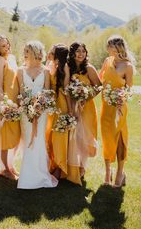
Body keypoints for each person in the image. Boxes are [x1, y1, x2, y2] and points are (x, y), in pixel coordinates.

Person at [17, 40, 58, 189]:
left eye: (27, 51)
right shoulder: (20, 71)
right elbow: (21, 92)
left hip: (42, 111)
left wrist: (40, 106)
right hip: (26, 111)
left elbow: (47, 92)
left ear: (35, 53)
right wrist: (27, 106)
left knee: (39, 139)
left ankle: (41, 174)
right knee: (28, 139)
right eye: (25, 51)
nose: (25, 54)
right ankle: (27, 176)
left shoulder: (45, 71)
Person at [99, 35, 135, 187]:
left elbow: (129, 89)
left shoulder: (128, 66)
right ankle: (108, 172)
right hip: (106, 106)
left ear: (118, 47)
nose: (107, 49)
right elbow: (101, 80)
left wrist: (120, 98)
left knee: (119, 138)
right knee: (107, 138)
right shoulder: (107, 61)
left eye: (110, 46)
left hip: (119, 107)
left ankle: (120, 172)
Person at [48, 44, 82, 185]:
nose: (49, 52)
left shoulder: (65, 67)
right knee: (52, 136)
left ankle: (61, 167)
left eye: (52, 51)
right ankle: (55, 165)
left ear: (57, 54)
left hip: (62, 105)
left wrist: (70, 110)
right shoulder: (51, 65)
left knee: (59, 136)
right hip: (53, 105)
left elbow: (67, 90)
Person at [67, 42, 102, 179]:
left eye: (83, 51)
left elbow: (99, 86)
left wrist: (85, 97)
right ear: (73, 53)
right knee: (74, 136)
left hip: (87, 107)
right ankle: (72, 165)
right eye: (78, 51)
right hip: (73, 106)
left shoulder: (89, 68)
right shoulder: (68, 68)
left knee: (85, 136)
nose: (81, 53)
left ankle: (82, 166)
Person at [0, 34, 20, 180]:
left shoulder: (13, 58)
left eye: (7, 44)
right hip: (6, 102)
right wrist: (2, 105)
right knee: (6, 136)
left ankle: (10, 165)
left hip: (16, 101)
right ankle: (5, 169)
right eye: (3, 45)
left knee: (16, 135)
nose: (6, 47)